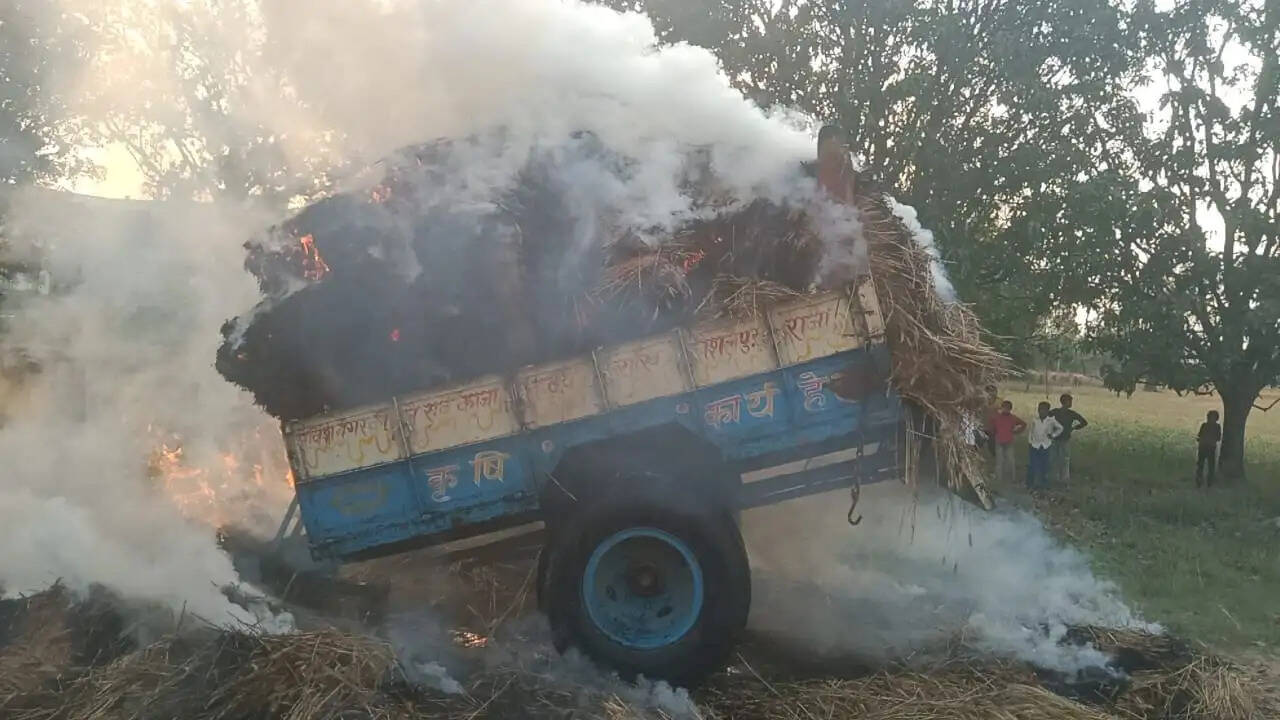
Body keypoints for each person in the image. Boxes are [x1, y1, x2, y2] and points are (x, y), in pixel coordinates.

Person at [1049, 393, 1088, 484]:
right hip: (1062, 438)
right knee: (1063, 459)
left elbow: (1045, 417)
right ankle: (1062, 479)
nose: (1071, 403)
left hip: (1058, 438)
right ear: (1065, 402)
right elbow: (1084, 422)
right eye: (1070, 401)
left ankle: (1057, 478)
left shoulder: (1056, 411)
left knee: (1057, 459)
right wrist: (1074, 428)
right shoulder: (1070, 413)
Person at [1027, 401, 1064, 489]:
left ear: (1048, 411)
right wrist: (1030, 442)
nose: (1041, 412)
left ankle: (1043, 483)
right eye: (1040, 409)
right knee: (1033, 465)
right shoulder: (1035, 420)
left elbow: (1060, 428)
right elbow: (1031, 431)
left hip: (1046, 445)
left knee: (1045, 465)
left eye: (1044, 410)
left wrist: (1053, 435)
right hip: (1035, 445)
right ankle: (1030, 483)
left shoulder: (1051, 420)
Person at [989, 399, 1026, 486]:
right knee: (999, 461)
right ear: (1001, 408)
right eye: (1004, 408)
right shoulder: (996, 417)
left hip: (1009, 441)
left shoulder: (1013, 418)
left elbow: (1023, 424)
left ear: (1010, 409)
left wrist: (1017, 432)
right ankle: (999, 479)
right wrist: (993, 433)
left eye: (1008, 408)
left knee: (1010, 460)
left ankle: (1012, 478)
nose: (1006, 410)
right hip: (999, 441)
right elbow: (991, 427)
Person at [1196, 410, 1222, 487]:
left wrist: (1203, 439)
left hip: (1207, 446)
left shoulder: (1206, 425)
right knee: (1202, 465)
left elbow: (1218, 438)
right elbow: (1218, 438)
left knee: (1208, 466)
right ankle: (1201, 481)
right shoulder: (1214, 426)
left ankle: (1207, 482)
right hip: (1207, 446)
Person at [983, 384, 1002, 457]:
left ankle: (995, 455)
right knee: (978, 443)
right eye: (989, 391)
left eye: (994, 391)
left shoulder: (999, 401)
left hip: (993, 427)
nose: (992, 393)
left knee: (992, 443)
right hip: (983, 425)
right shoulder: (982, 401)